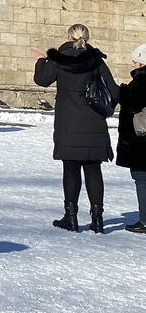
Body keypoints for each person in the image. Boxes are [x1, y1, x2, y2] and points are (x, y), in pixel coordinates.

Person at [33, 23, 118, 233]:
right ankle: (97, 220)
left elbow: (41, 80)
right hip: (93, 123)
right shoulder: (96, 61)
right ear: (86, 37)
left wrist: (40, 61)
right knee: (93, 169)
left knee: (70, 169)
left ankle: (70, 218)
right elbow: (114, 92)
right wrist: (103, 107)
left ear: (68, 37)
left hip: (68, 123)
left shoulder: (59, 60)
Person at [117, 43, 146, 234]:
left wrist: (123, 92)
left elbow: (134, 104)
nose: (133, 64)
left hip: (141, 140)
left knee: (142, 178)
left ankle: (144, 220)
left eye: (136, 60)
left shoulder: (142, 79)